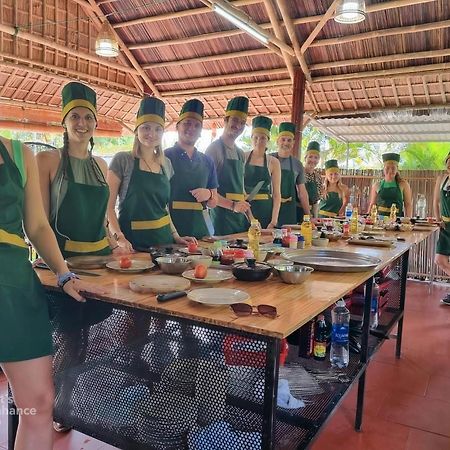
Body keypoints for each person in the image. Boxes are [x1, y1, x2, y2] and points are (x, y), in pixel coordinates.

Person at [0, 135, 101, 449]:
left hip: (14, 282)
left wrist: (63, 273)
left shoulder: (19, 153)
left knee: (38, 403)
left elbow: (38, 226)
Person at [37, 81, 115, 258]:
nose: (82, 123)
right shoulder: (46, 160)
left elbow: (102, 219)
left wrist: (116, 244)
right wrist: (52, 263)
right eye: (75, 116)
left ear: (96, 123)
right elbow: (40, 223)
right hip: (64, 260)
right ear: (64, 121)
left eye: (88, 117)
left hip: (103, 256)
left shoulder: (101, 165)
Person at [107, 96, 196, 251]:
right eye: (146, 127)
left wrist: (175, 235)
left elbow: (164, 207)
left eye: (157, 129)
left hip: (164, 242)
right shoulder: (123, 160)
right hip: (133, 243)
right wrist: (119, 238)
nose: (152, 134)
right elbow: (107, 207)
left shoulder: (166, 164)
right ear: (136, 130)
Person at [165, 99, 218, 238]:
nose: (191, 128)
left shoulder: (207, 161)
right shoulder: (165, 157)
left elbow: (214, 202)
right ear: (177, 126)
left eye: (197, 125)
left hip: (201, 233)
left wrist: (209, 194)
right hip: (172, 233)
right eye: (187, 123)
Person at [205, 96, 251, 235]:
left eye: (242, 122)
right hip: (221, 218)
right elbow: (208, 193)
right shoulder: (214, 149)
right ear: (225, 120)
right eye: (235, 120)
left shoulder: (240, 153)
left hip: (239, 218)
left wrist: (251, 217)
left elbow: (241, 190)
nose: (238, 125)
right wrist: (232, 206)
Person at [244, 115, 281, 229]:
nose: (259, 141)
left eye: (263, 138)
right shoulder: (242, 157)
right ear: (251, 139)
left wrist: (273, 221)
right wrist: (251, 218)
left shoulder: (273, 162)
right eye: (255, 137)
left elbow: (276, 194)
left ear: (268, 141)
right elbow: (239, 188)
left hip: (266, 211)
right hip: (245, 210)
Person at [272, 122, 310, 226]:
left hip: (288, 211)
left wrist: (308, 217)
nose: (286, 142)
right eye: (283, 139)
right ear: (277, 141)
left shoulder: (297, 164)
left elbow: (302, 193)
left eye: (289, 140)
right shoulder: (268, 159)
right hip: (269, 209)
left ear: (293, 143)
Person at [368, 153, 413, 218]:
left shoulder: (403, 184)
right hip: (379, 222)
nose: (390, 171)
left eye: (393, 168)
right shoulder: (377, 185)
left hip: (397, 222)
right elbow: (372, 204)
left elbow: (408, 204)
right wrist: (367, 218)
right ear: (383, 169)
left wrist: (408, 220)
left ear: (397, 169)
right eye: (387, 168)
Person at [433, 152, 450, 305]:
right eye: (448, 161)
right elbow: (436, 202)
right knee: (439, 260)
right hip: (445, 226)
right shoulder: (442, 178)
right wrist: (438, 219)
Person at [303, 140, 322, 219]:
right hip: (297, 211)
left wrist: (315, 218)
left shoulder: (318, 177)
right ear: (305, 158)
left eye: (316, 158)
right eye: (310, 157)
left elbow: (315, 202)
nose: (313, 160)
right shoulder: (298, 173)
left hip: (311, 214)